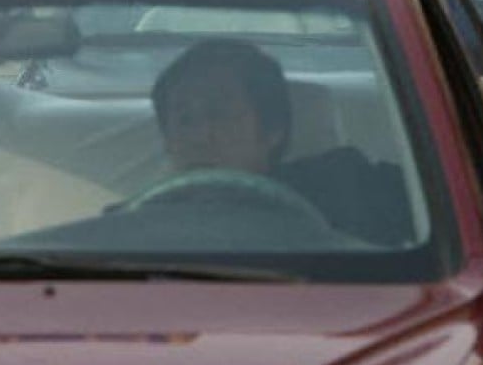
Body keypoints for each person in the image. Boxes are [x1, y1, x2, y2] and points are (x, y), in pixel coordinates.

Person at [151, 38, 412, 244]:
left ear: (272, 130)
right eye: (184, 120)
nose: (199, 135)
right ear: (167, 140)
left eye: (219, 114)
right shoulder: (136, 225)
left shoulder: (351, 189)